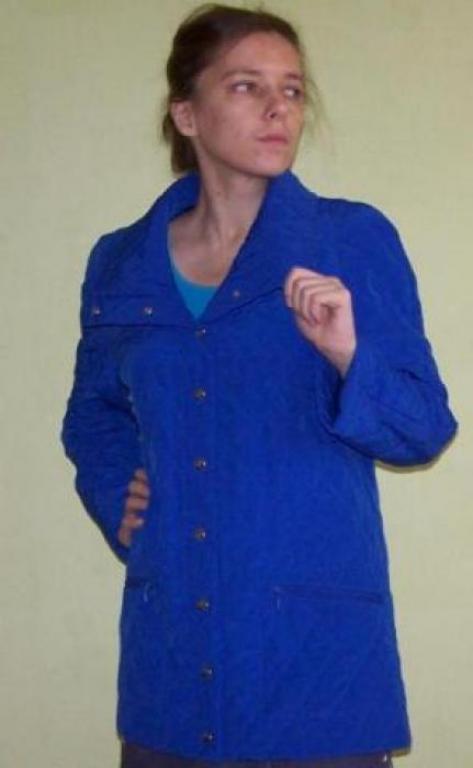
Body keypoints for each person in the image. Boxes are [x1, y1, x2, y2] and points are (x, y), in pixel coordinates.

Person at [60, 4, 458, 768]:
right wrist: (118, 495)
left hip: (314, 669)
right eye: (246, 86)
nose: (278, 108)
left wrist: (347, 354)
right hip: (171, 662)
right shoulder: (120, 262)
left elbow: (421, 427)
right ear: (186, 113)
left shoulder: (348, 238)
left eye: (293, 89)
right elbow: (93, 413)